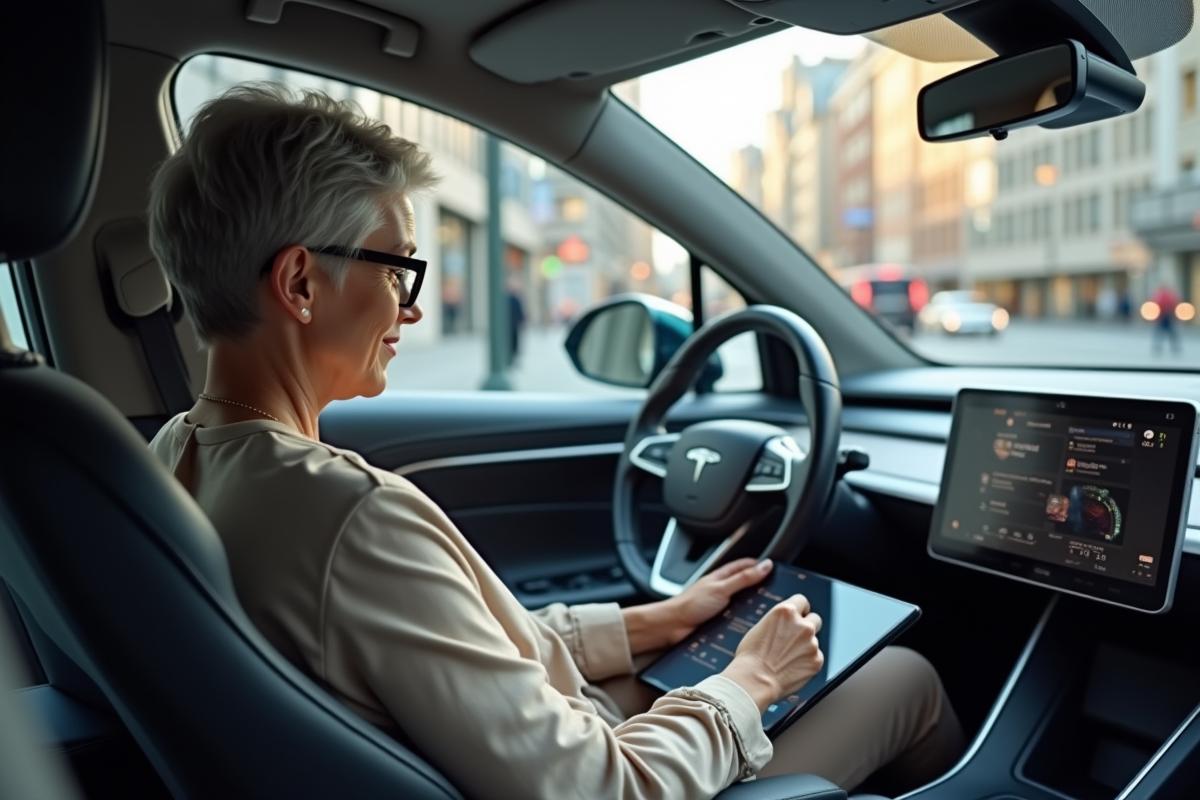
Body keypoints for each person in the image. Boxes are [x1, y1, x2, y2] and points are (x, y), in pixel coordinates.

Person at [145, 84, 963, 800]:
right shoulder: (349, 518)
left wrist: (655, 622)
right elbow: (596, 788)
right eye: (398, 271)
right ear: (298, 283)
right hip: (601, 771)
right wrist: (749, 681)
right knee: (907, 678)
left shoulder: (178, 458)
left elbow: (451, 656)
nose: (411, 308)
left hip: (537, 744)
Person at [1152, 284, 1181, 355]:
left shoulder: (1161, 295)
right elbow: (1174, 304)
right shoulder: (1169, 295)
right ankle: (1173, 347)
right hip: (1167, 316)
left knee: (1161, 332)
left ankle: (1158, 346)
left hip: (1164, 316)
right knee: (1170, 333)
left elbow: (1157, 304)